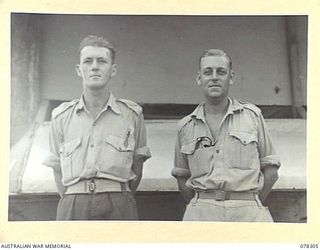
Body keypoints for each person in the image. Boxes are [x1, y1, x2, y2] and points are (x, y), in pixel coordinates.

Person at [43, 35, 151, 220]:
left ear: (113, 69)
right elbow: (57, 169)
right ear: (79, 69)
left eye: (102, 61)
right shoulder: (61, 116)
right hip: (73, 203)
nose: (94, 66)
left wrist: (118, 197)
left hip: (118, 202)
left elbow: (137, 168)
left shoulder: (132, 115)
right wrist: (75, 198)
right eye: (87, 61)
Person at [172, 49, 280, 222]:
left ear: (231, 77)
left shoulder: (252, 116)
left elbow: (271, 171)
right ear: (199, 78)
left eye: (221, 71)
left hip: (249, 212)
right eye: (208, 72)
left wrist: (249, 204)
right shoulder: (185, 126)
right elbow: (182, 178)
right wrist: (204, 205)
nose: (214, 77)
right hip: (201, 214)